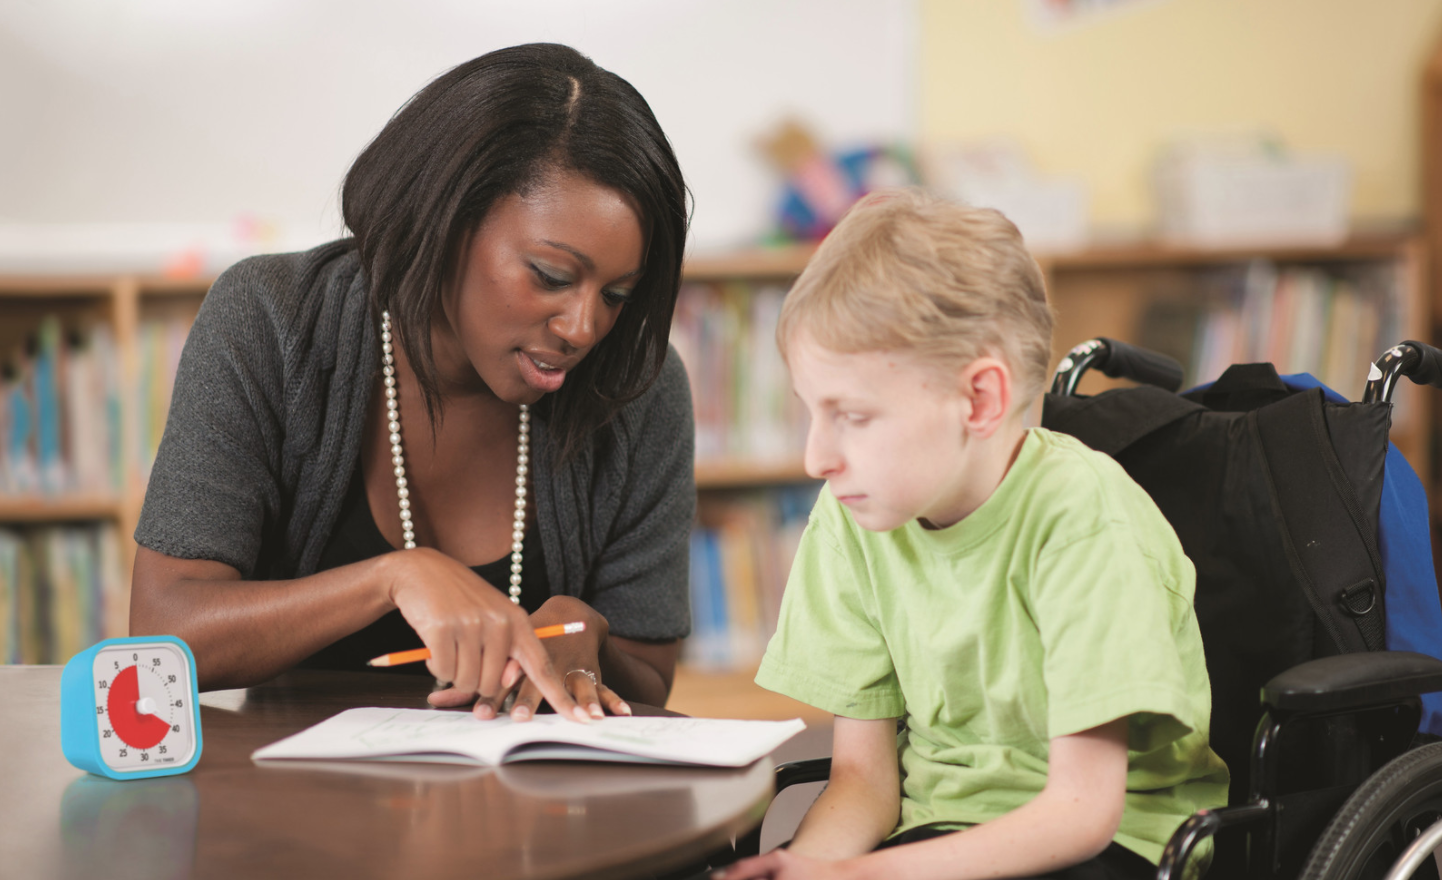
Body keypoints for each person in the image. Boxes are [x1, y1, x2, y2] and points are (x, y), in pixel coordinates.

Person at [129, 43, 695, 724]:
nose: (583, 327)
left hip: (535, 813)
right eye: (550, 275)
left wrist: (586, 635)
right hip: (295, 809)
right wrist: (391, 579)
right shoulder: (272, 322)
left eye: (618, 295)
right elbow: (161, 636)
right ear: (447, 219)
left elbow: (650, 678)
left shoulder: (639, 388)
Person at [718, 190, 1228, 880]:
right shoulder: (849, 517)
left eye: (854, 416)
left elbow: (1082, 811)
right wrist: (802, 870)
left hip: (1113, 847)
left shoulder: (1082, 519)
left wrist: (854, 878)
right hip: (937, 839)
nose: (817, 458)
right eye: (812, 413)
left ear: (979, 400)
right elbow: (863, 784)